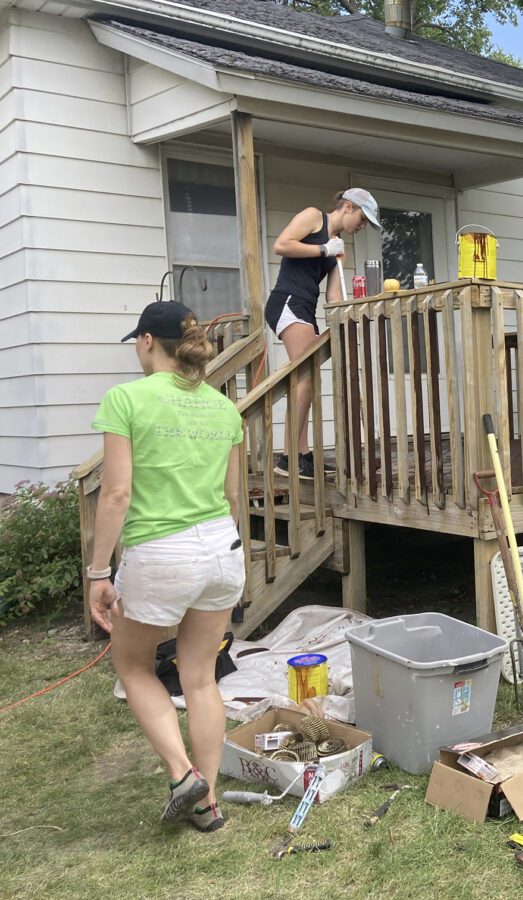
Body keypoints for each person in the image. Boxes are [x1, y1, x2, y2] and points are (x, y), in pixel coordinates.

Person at [88, 301, 245, 833]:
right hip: (223, 549)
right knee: (199, 676)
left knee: (133, 666)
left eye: (137, 340)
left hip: (161, 552)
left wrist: (97, 573)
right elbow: (231, 493)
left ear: (149, 342)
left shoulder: (125, 398)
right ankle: (208, 804)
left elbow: (115, 494)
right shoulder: (224, 408)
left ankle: (184, 776)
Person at [266, 187, 380, 479]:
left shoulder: (339, 246)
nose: (362, 226)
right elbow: (281, 245)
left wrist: (344, 311)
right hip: (287, 301)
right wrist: (322, 249)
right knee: (304, 378)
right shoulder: (313, 217)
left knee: (310, 380)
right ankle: (288, 457)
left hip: (306, 307)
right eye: (363, 219)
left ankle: (301, 454)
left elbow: (332, 292)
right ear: (348, 207)